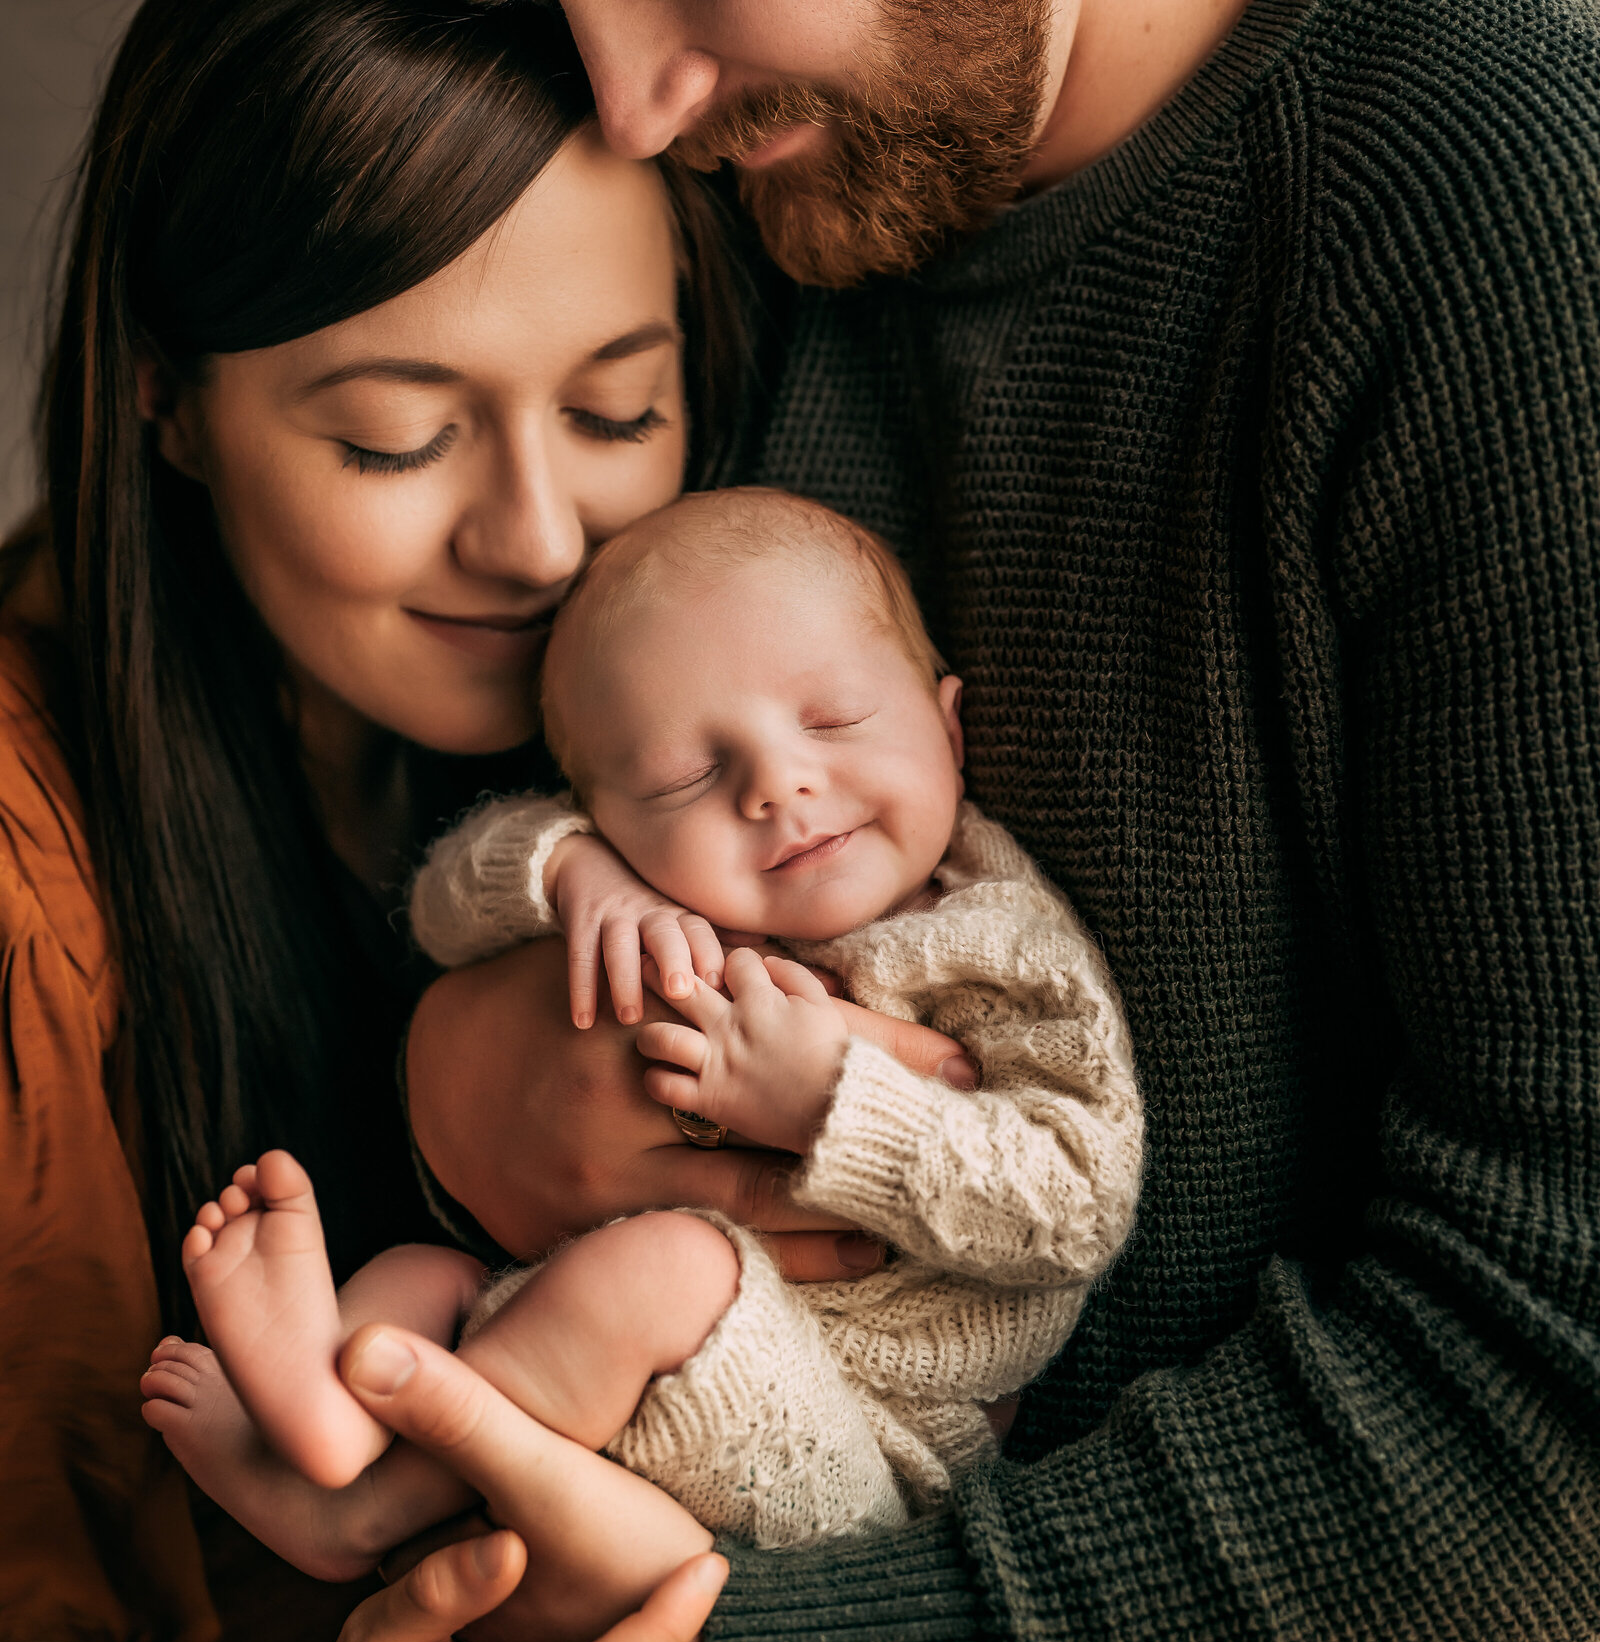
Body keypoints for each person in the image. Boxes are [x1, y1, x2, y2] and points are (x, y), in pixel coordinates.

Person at [170, 0, 1600, 1642]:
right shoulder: (751, 179)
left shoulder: (1513, 215)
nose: (621, 101)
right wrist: (493, 1073)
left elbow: (1560, 1344)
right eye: (552, 14)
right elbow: (458, 897)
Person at [0, 0, 976, 1642]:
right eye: (391, 437)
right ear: (165, 395)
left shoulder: (647, 759)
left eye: (618, 405)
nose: (540, 531)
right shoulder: (28, 867)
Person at [142, 487, 1144, 1577]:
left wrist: (833, 1099)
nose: (779, 784)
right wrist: (571, 870)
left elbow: (1079, 1205)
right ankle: (326, 1411)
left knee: (668, 1265)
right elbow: (443, 904)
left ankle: (367, 1506)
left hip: (857, 1447)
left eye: (835, 719)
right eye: (686, 776)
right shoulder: (660, 903)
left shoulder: (995, 942)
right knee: (429, 1279)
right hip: (568, 1366)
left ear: (946, 725)